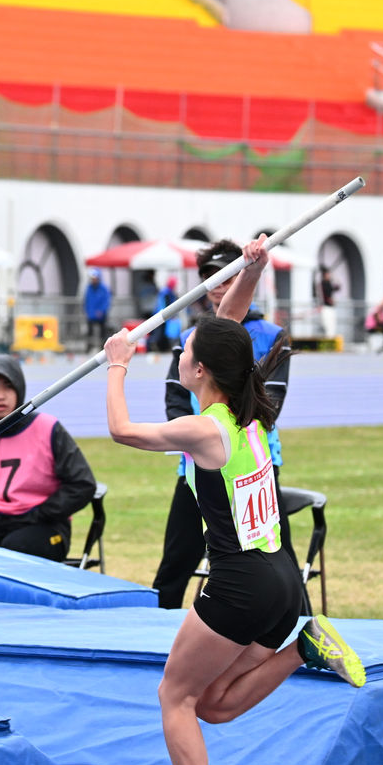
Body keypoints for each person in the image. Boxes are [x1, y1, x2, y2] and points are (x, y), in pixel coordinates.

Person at [103, 234, 364, 765]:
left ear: (200, 371)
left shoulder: (203, 429)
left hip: (241, 584)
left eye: (185, 352)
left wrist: (118, 361)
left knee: (174, 697)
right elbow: (227, 331)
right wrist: (253, 268)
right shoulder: (250, 411)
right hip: (280, 581)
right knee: (212, 705)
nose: (180, 354)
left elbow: (121, 430)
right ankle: (305, 649)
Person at [152, 239, 294, 611]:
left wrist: (222, 432)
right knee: (175, 561)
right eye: (210, 277)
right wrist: (194, 436)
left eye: (226, 276)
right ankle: (155, 628)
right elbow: (174, 398)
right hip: (197, 461)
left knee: (276, 553)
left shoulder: (270, 334)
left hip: (253, 462)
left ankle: (301, 627)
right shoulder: (190, 339)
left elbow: (271, 402)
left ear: (241, 277)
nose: (217, 285)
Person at [0, 354, 96, 562]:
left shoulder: (48, 428)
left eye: (8, 387)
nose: (0, 396)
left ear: (19, 389)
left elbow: (82, 484)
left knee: (14, 551)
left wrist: (39, 513)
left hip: (44, 526)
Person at [83, 267, 111, 351]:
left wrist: (102, 311)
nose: (93, 280)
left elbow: (106, 301)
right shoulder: (89, 288)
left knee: (103, 332)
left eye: (95, 278)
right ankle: (89, 347)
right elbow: (87, 301)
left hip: (101, 315)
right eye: (92, 278)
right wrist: (87, 311)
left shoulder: (103, 289)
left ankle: (103, 347)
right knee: (90, 332)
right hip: (91, 315)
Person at [151, 274, 181, 352]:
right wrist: (172, 315)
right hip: (162, 315)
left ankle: (160, 346)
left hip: (160, 314)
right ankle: (155, 344)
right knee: (160, 332)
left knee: (161, 331)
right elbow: (167, 305)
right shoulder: (167, 292)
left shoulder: (165, 291)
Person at [317, 268, 339, 338]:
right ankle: (328, 338)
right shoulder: (322, 284)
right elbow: (324, 295)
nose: (329, 275)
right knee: (327, 325)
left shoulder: (329, 283)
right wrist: (329, 300)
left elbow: (337, 288)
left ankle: (331, 338)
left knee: (332, 324)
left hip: (330, 307)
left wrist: (336, 280)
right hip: (325, 307)